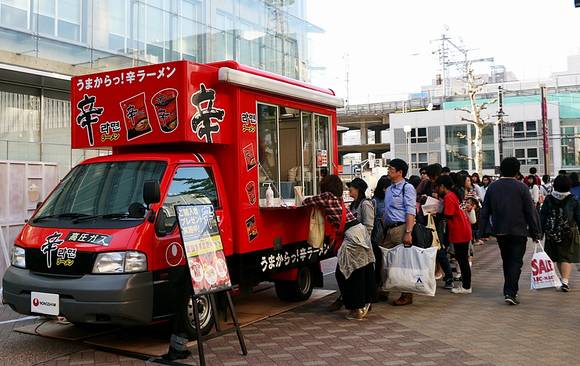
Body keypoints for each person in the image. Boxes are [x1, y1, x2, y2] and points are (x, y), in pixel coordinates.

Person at [303, 175, 375, 320]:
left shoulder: (327, 197)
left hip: (352, 236)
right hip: (358, 232)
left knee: (346, 272)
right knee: (361, 269)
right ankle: (365, 302)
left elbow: (306, 201)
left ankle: (357, 309)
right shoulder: (338, 199)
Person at [480, 157, 542, 305]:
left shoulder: (493, 187)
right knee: (516, 261)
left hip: (500, 230)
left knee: (507, 260)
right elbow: (530, 212)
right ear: (517, 171)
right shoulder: (522, 187)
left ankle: (509, 289)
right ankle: (510, 291)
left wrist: (482, 232)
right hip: (519, 231)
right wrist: (536, 232)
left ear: (501, 169)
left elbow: (485, 211)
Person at [381, 158, 417, 306]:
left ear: (400, 172)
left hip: (401, 228)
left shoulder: (407, 188)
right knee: (385, 260)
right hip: (389, 230)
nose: (388, 171)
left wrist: (408, 232)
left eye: (391, 169)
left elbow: (410, 211)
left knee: (402, 262)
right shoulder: (389, 189)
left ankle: (406, 294)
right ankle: (385, 289)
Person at [416, 163, 454, 289]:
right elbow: (416, 195)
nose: (432, 180)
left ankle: (448, 277)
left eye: (434, 177)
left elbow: (447, 204)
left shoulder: (443, 185)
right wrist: (424, 198)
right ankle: (425, 277)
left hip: (437, 221)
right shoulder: (425, 183)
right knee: (424, 249)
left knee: (440, 250)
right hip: (424, 220)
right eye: (430, 177)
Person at [540, 175, 580, 292]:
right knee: (566, 257)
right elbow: (578, 217)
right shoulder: (573, 199)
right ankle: (565, 281)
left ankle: (563, 279)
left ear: (555, 185)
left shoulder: (549, 199)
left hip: (552, 233)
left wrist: (539, 233)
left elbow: (542, 217)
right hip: (569, 232)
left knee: (557, 257)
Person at [437, 175, 473, 294]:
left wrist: (435, 213)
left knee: (462, 260)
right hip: (463, 229)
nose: (437, 190)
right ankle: (466, 285)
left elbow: (449, 215)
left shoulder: (449, 196)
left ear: (442, 186)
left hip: (459, 231)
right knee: (462, 259)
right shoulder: (453, 194)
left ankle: (466, 286)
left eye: (438, 187)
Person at [371, 176, 390, 291]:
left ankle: (385, 285)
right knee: (378, 260)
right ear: (383, 188)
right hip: (378, 234)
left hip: (388, 232)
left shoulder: (390, 199)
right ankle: (378, 285)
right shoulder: (375, 201)